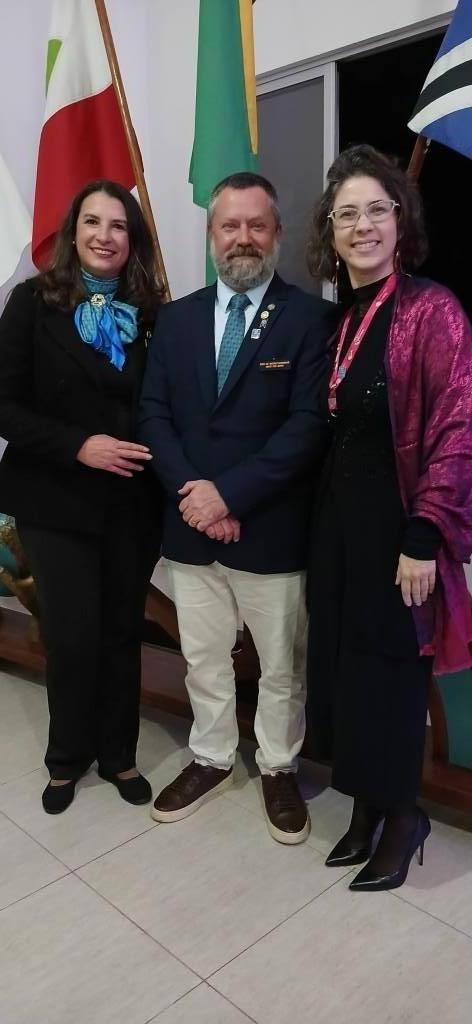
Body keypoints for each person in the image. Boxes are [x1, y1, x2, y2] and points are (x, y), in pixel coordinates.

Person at [139, 171, 338, 843]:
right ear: (211, 234)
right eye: (230, 225)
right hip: (192, 528)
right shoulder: (176, 319)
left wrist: (229, 495)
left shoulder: (311, 320)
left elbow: (307, 428)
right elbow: (154, 415)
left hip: (271, 529)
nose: (243, 237)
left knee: (281, 666)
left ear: (277, 233)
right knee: (203, 657)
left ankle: (278, 767)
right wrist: (197, 497)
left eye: (257, 224)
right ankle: (212, 756)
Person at [306, 144, 472, 890]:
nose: (363, 225)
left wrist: (424, 534)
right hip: (338, 532)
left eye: (378, 209)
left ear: (401, 221)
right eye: (347, 213)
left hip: (400, 535)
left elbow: (458, 428)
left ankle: (404, 816)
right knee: (349, 673)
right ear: (330, 231)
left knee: (395, 680)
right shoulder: (340, 321)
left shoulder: (432, 310)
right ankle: (365, 804)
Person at [0, 180, 164, 814]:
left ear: (132, 240)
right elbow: (4, 405)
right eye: (92, 222)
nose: (104, 235)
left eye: (118, 225)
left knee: (122, 632)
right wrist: (79, 446)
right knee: (70, 638)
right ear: (73, 232)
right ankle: (66, 758)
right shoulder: (31, 302)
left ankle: (119, 754)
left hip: (132, 504)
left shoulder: (153, 312)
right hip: (54, 500)